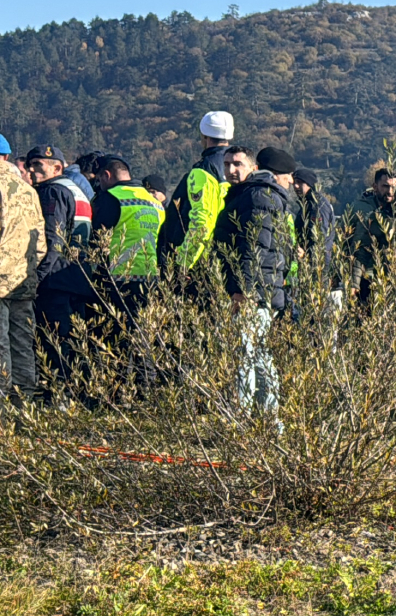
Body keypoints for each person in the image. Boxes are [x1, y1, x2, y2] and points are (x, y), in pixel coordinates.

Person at [212, 145, 298, 416]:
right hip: (260, 291)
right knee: (259, 356)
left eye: (237, 164)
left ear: (253, 167)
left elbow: (254, 249)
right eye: (226, 165)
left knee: (244, 357)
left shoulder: (257, 196)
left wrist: (244, 292)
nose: (231, 170)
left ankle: (243, 421)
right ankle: (270, 421)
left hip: (253, 293)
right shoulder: (250, 194)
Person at [88, 156, 163, 387]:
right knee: (143, 337)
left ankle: (117, 391)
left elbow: (98, 240)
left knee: (115, 339)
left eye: (99, 179)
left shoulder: (110, 198)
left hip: (117, 278)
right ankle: (145, 390)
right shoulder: (153, 201)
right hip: (150, 277)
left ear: (107, 176)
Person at [24, 145, 94, 388]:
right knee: (75, 342)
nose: (31, 170)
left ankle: (57, 398)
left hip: (55, 280)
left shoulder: (52, 192)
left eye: (38, 165)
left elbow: (51, 239)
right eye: (29, 164)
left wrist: (37, 278)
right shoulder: (77, 189)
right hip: (78, 277)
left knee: (54, 343)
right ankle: (78, 394)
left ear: (57, 167)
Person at [158, 111, 234, 271]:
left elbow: (202, 223)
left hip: (201, 262)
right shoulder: (237, 166)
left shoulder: (204, 170)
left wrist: (183, 263)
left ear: (203, 136)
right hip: (226, 256)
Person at [0, 137, 44, 399]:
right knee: (22, 341)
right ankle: (26, 399)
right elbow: (41, 242)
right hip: (24, 279)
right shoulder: (28, 190)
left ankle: (2, 401)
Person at [343, 168, 396, 305]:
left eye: (394, 187)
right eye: (385, 186)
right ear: (375, 186)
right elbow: (343, 237)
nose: (390, 191)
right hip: (362, 276)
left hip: (389, 277)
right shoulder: (359, 208)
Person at [290, 167, 337, 293]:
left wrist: (307, 256)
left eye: (300, 182)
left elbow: (319, 238)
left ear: (309, 184)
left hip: (317, 266)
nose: (296, 186)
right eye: (294, 182)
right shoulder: (307, 204)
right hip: (309, 264)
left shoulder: (317, 206)